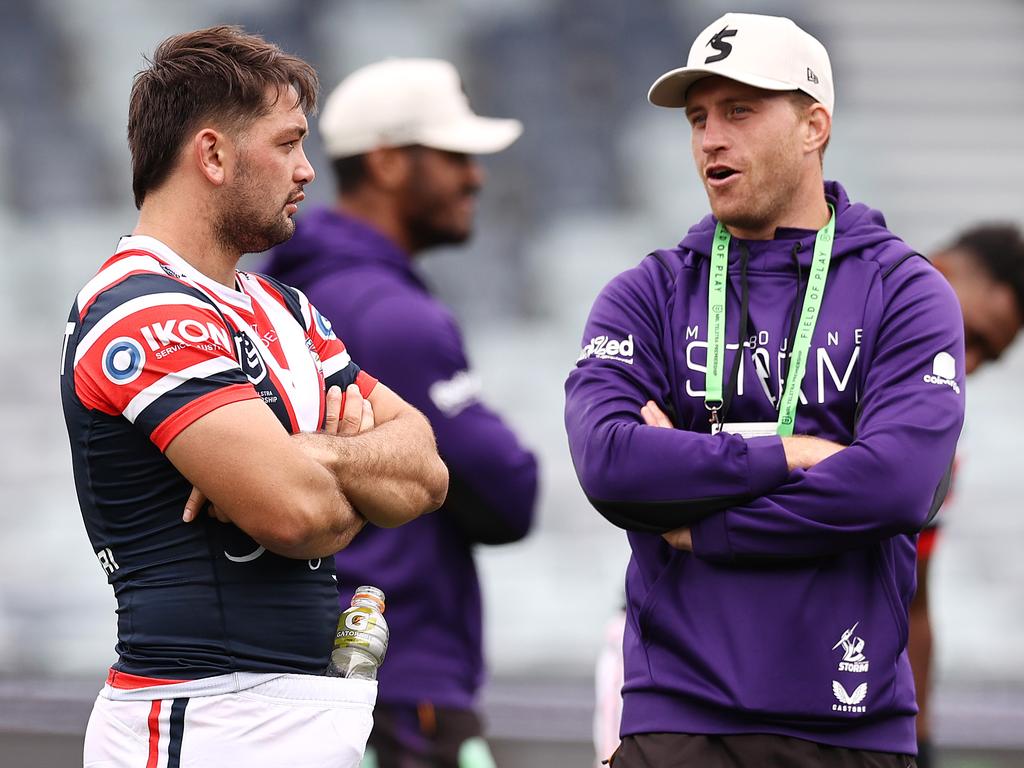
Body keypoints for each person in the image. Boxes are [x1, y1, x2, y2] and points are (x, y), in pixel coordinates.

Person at [564, 12, 965, 767]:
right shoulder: (643, 294)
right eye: (698, 117)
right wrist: (795, 453)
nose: (711, 137)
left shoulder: (907, 291)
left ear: (814, 125)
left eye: (740, 111)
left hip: (851, 723)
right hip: (675, 717)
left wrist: (703, 518)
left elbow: (895, 487)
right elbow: (612, 466)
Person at [60, 27, 448, 768]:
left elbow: (428, 469)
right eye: (288, 143)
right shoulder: (140, 308)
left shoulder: (286, 309)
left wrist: (308, 453)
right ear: (212, 154)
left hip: (301, 710)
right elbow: (296, 516)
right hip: (203, 717)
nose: (307, 171)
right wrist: (341, 478)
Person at [262, 58, 538, 768]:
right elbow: (508, 495)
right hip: (399, 686)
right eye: (454, 156)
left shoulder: (276, 301)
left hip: (307, 672)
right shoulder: (394, 317)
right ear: (385, 162)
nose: (474, 177)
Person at [909, 224, 1024, 768]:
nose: (970, 364)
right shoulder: (823, 357)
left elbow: (914, 599)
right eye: (973, 336)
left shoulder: (941, 438)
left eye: (989, 356)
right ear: (939, 274)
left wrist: (920, 736)